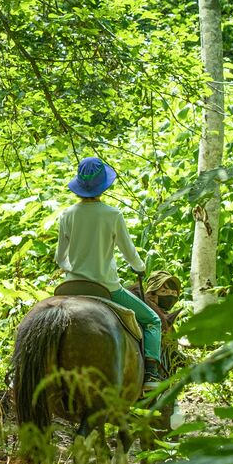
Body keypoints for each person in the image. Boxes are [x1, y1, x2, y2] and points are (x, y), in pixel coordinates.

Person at [55, 157, 164, 382]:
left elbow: (60, 258)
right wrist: (140, 268)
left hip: (71, 287)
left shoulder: (67, 215)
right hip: (106, 287)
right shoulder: (112, 215)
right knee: (153, 320)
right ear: (103, 186)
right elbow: (129, 253)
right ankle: (151, 373)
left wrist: (72, 269)